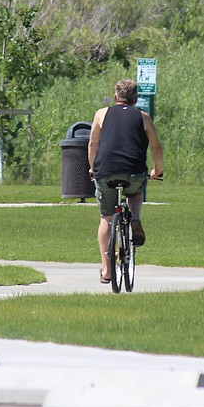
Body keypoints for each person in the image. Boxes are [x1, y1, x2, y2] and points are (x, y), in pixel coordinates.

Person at [87, 79, 164, 284]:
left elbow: (93, 143)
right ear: (135, 99)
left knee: (106, 217)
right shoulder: (143, 117)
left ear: (115, 97)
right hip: (134, 172)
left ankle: (106, 269)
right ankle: (136, 218)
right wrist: (158, 170)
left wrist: (93, 167)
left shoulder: (101, 114)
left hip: (106, 172)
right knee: (136, 191)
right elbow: (156, 147)